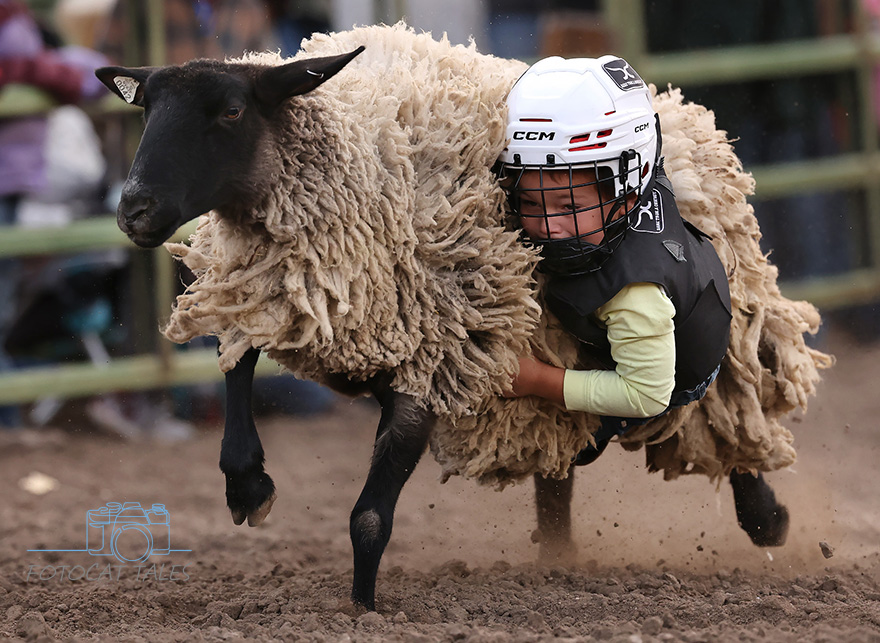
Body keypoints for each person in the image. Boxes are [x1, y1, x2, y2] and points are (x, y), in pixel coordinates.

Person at [498, 55, 733, 465]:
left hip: (673, 375)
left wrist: (537, 379)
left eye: (568, 204)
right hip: (640, 302)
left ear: (624, 192)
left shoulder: (636, 291)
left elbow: (647, 394)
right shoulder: (620, 180)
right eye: (530, 202)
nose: (548, 224)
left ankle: (606, 427)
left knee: (574, 447)